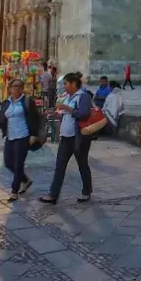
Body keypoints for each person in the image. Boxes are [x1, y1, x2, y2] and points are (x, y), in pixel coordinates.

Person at [41, 73, 94, 204]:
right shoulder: (68, 97)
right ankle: (53, 194)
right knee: (59, 166)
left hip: (78, 137)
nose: (64, 86)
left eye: (65, 83)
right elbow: (65, 116)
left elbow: (83, 115)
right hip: (65, 137)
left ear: (73, 84)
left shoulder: (83, 97)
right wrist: (54, 114)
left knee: (82, 164)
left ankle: (87, 191)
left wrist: (67, 108)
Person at [0, 78, 42, 202]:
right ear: (10, 88)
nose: (16, 88)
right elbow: (3, 116)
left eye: (18, 86)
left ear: (22, 89)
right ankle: (25, 180)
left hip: (23, 136)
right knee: (8, 162)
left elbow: (35, 118)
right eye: (14, 86)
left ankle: (14, 191)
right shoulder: (6, 103)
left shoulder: (27, 101)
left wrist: (33, 134)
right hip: (10, 137)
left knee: (18, 164)